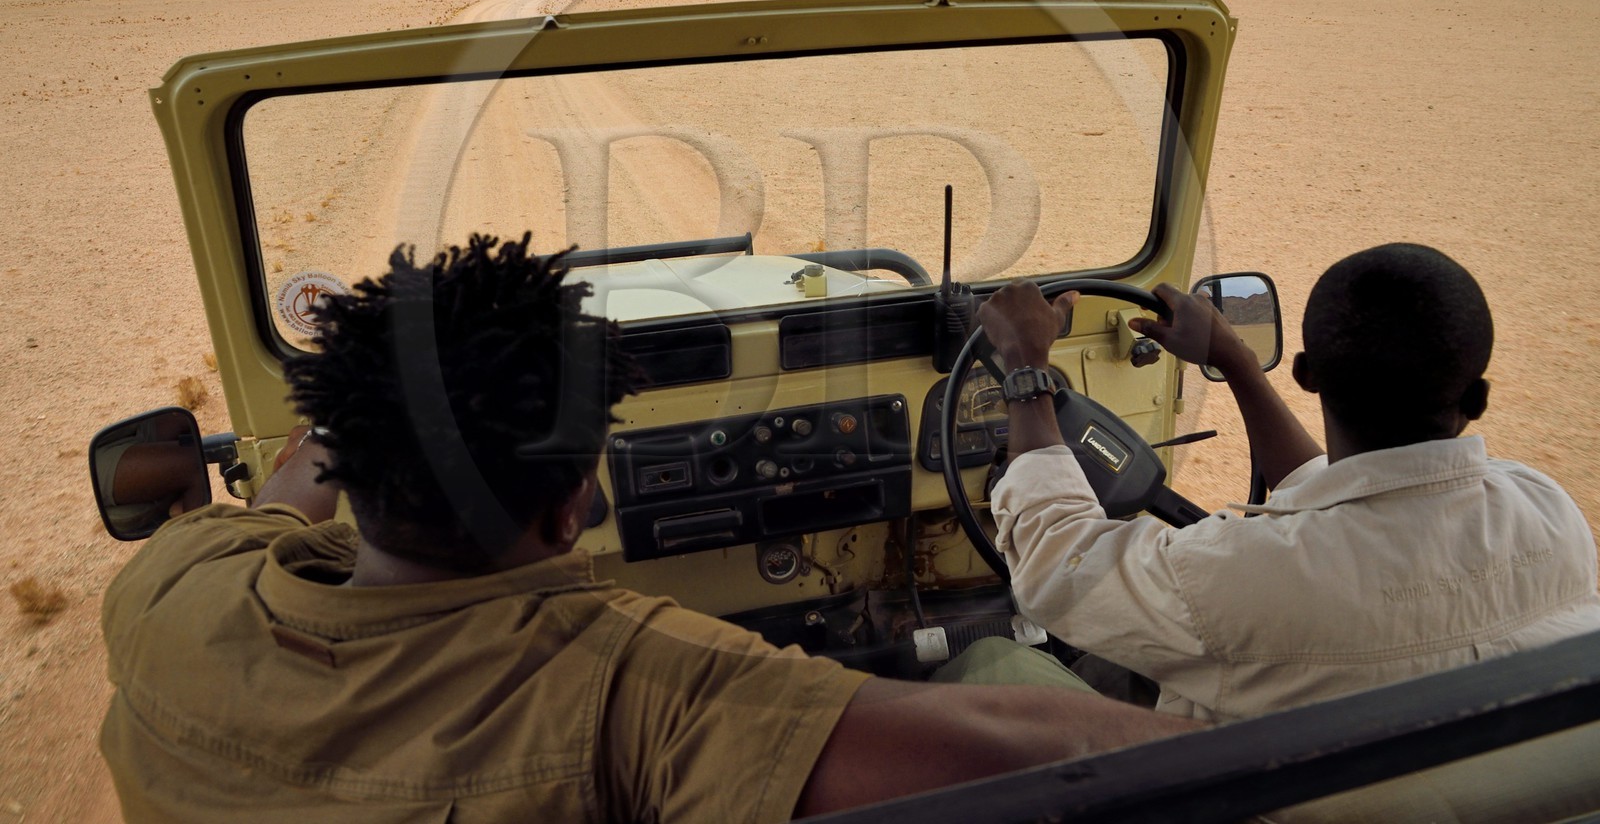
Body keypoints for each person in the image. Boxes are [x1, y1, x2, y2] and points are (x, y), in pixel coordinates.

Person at [100, 233, 1197, 824]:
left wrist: (340, 426)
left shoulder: (174, 583)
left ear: (343, 453)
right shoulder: (634, 691)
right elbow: (1038, 749)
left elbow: (285, 492)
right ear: (580, 494)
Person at [977, 242, 1600, 722]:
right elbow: (1354, 494)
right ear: (1477, 398)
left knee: (989, 662)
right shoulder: (1549, 508)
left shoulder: (1237, 580)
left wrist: (1028, 371)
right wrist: (1236, 362)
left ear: (1306, 374)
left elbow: (1055, 569)